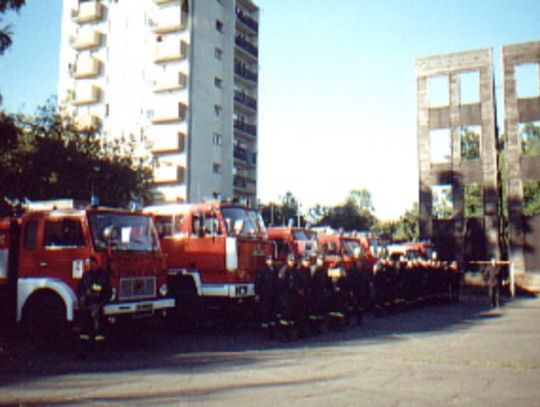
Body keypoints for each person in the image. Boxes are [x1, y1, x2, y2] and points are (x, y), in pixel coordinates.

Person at [76, 256, 111, 358]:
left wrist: (100, 303)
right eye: (89, 263)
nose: (90, 265)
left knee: (98, 330)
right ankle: (82, 352)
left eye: (92, 263)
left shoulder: (102, 276)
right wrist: (82, 301)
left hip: (97, 305)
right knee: (84, 331)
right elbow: (80, 290)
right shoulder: (86, 276)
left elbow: (103, 290)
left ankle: (99, 353)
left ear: (96, 263)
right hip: (86, 306)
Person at [254, 255, 278, 338]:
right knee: (265, 314)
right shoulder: (262, 271)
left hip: (274, 295)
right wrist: (257, 294)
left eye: (271, 260)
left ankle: (272, 332)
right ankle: (265, 333)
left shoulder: (275, 270)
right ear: (266, 261)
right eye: (269, 260)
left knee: (272, 314)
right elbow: (258, 283)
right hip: (265, 296)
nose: (270, 261)